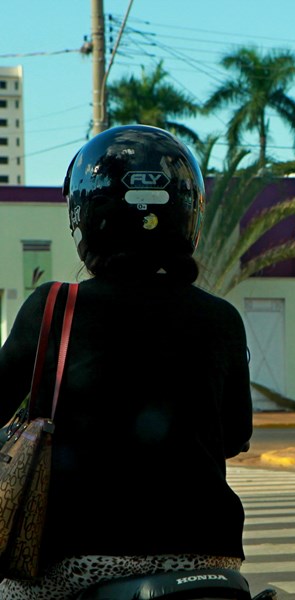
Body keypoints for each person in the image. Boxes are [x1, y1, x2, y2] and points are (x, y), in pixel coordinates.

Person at [0, 125, 253, 599]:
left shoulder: (55, 307)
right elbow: (236, 436)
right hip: (208, 555)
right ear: (188, 215)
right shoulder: (222, 318)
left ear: (85, 215)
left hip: (78, 557)